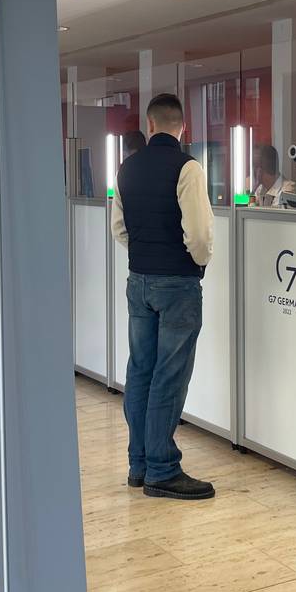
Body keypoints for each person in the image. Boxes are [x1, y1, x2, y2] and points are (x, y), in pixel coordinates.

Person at [111, 93, 215, 500]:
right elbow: (199, 234)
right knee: (170, 374)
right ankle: (162, 468)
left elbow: (119, 228)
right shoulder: (188, 168)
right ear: (182, 127)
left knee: (140, 370)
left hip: (138, 281)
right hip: (177, 284)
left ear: (150, 125)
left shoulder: (127, 168)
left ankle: (139, 464)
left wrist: (145, 254)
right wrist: (197, 263)